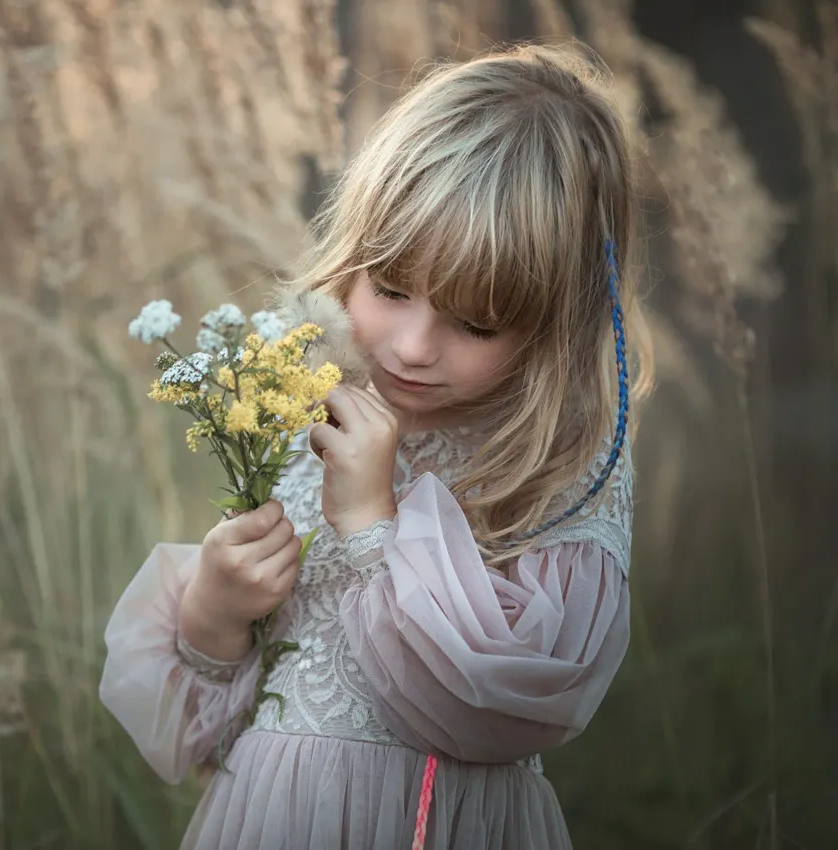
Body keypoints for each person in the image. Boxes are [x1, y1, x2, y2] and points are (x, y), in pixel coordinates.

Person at [99, 40, 655, 850]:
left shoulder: (560, 467)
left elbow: (500, 709)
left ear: (557, 323)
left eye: (476, 322)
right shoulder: (307, 411)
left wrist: (371, 524)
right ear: (352, 257)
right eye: (390, 289)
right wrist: (214, 616)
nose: (412, 346)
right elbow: (206, 741)